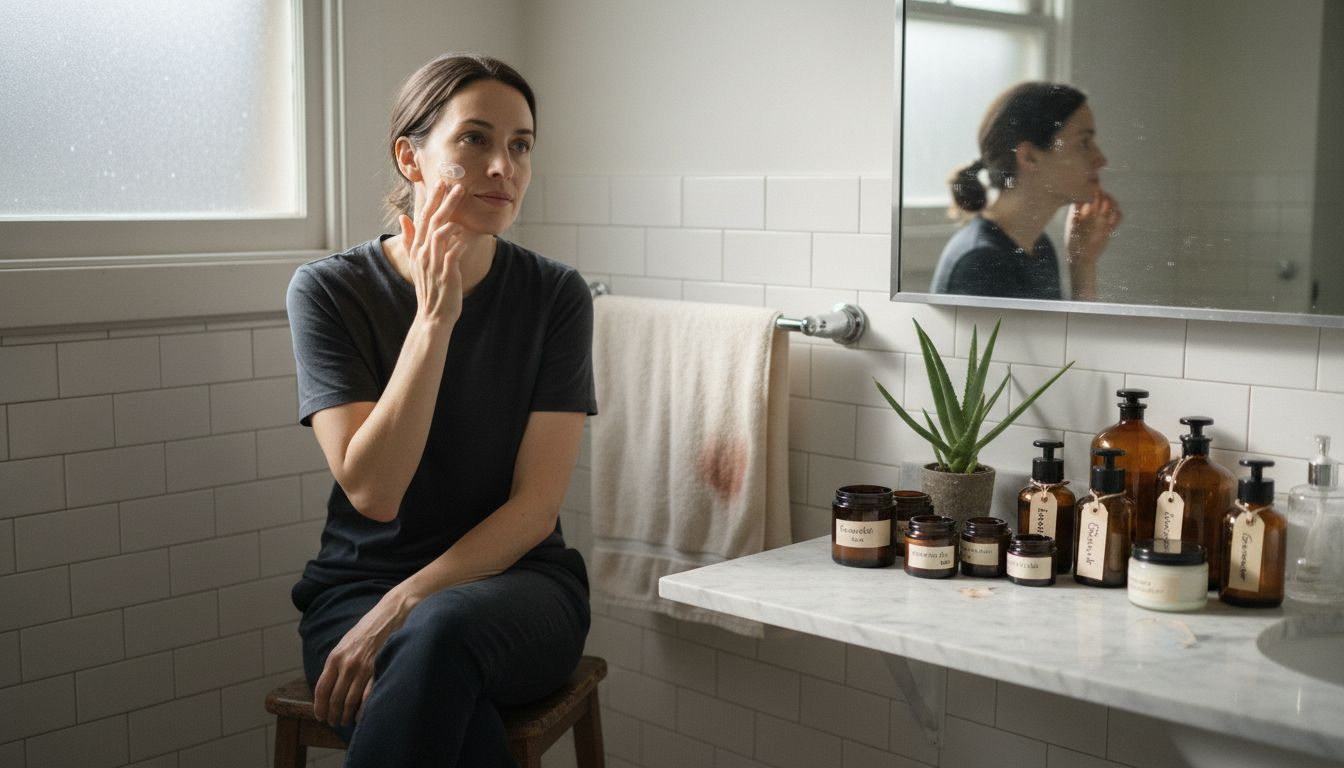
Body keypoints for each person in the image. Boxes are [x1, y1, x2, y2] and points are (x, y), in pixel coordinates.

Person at [285, 53, 595, 767]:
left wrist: (402, 605)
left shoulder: (555, 297)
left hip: (519, 587)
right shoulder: (329, 292)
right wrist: (434, 322)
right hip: (356, 589)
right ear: (412, 157)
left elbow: (534, 509)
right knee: (464, 733)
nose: (503, 166)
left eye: (520, 145)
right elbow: (374, 490)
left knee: (438, 631)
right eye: (475, 139)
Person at [930, 82, 1122, 300]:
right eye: (1084, 142)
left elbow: (1062, 335)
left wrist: (1082, 261)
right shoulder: (981, 261)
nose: (1101, 160)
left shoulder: (1039, 248)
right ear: (1029, 156)